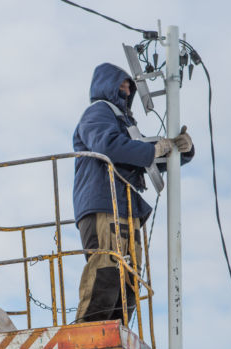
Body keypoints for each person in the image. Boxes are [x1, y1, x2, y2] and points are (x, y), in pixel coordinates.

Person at [73, 62, 194, 323]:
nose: (128, 89)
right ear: (107, 85)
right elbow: (110, 146)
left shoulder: (125, 123)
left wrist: (178, 151)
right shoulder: (98, 112)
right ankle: (89, 332)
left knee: (128, 276)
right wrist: (153, 150)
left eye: (129, 84)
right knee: (107, 267)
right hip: (104, 202)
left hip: (125, 206)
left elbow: (140, 157)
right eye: (122, 83)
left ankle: (115, 329)